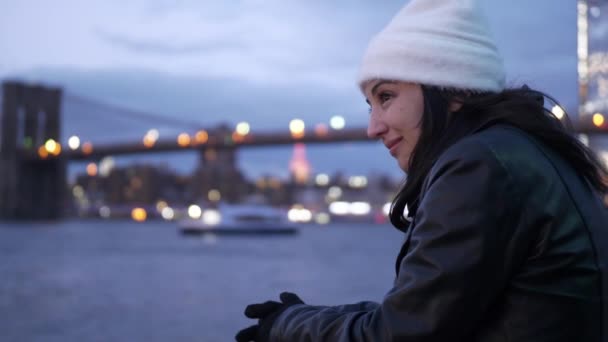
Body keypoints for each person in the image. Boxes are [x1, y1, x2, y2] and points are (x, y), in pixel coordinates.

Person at [236, 0, 608, 341]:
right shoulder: (522, 150)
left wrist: (288, 327)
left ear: (452, 90)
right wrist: (309, 316)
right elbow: (430, 313)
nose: (373, 127)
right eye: (370, 105)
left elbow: (401, 334)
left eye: (386, 97)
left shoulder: (477, 166)